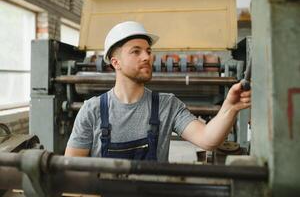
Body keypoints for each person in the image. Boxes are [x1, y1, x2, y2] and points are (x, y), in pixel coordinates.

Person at [65, 21, 251, 161]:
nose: (147, 57)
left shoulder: (167, 105)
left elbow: (208, 140)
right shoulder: (92, 111)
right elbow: (72, 171)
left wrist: (230, 108)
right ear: (116, 62)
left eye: (148, 50)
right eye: (136, 51)